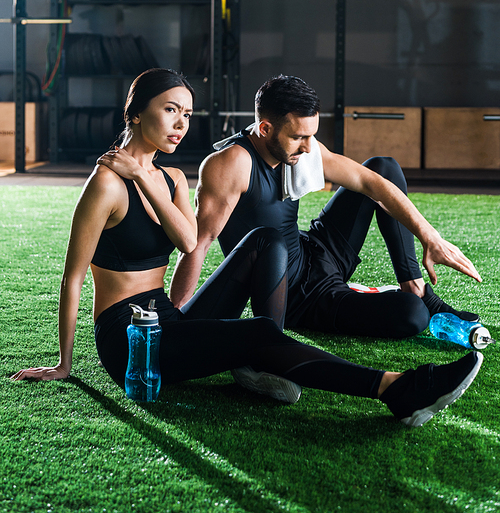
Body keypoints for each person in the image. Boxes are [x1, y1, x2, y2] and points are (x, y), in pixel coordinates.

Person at [11, 68, 483, 429]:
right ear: (135, 113)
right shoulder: (106, 186)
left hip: (167, 318)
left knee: (264, 242)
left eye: (187, 114)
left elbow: (188, 241)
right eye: (170, 109)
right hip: (130, 340)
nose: (180, 123)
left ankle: (268, 354)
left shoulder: (171, 178)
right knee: (259, 334)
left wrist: (147, 181)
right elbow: (73, 277)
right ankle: (396, 389)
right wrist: (64, 365)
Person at [170, 74, 481, 340]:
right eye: (298, 137)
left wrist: (429, 236)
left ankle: (414, 285)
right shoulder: (230, 165)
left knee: (383, 167)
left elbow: (370, 182)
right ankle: (398, 300)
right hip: (296, 296)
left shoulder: (301, 147)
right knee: (411, 316)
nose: (308, 147)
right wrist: (175, 321)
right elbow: (198, 244)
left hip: (316, 252)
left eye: (311, 135)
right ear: (265, 129)